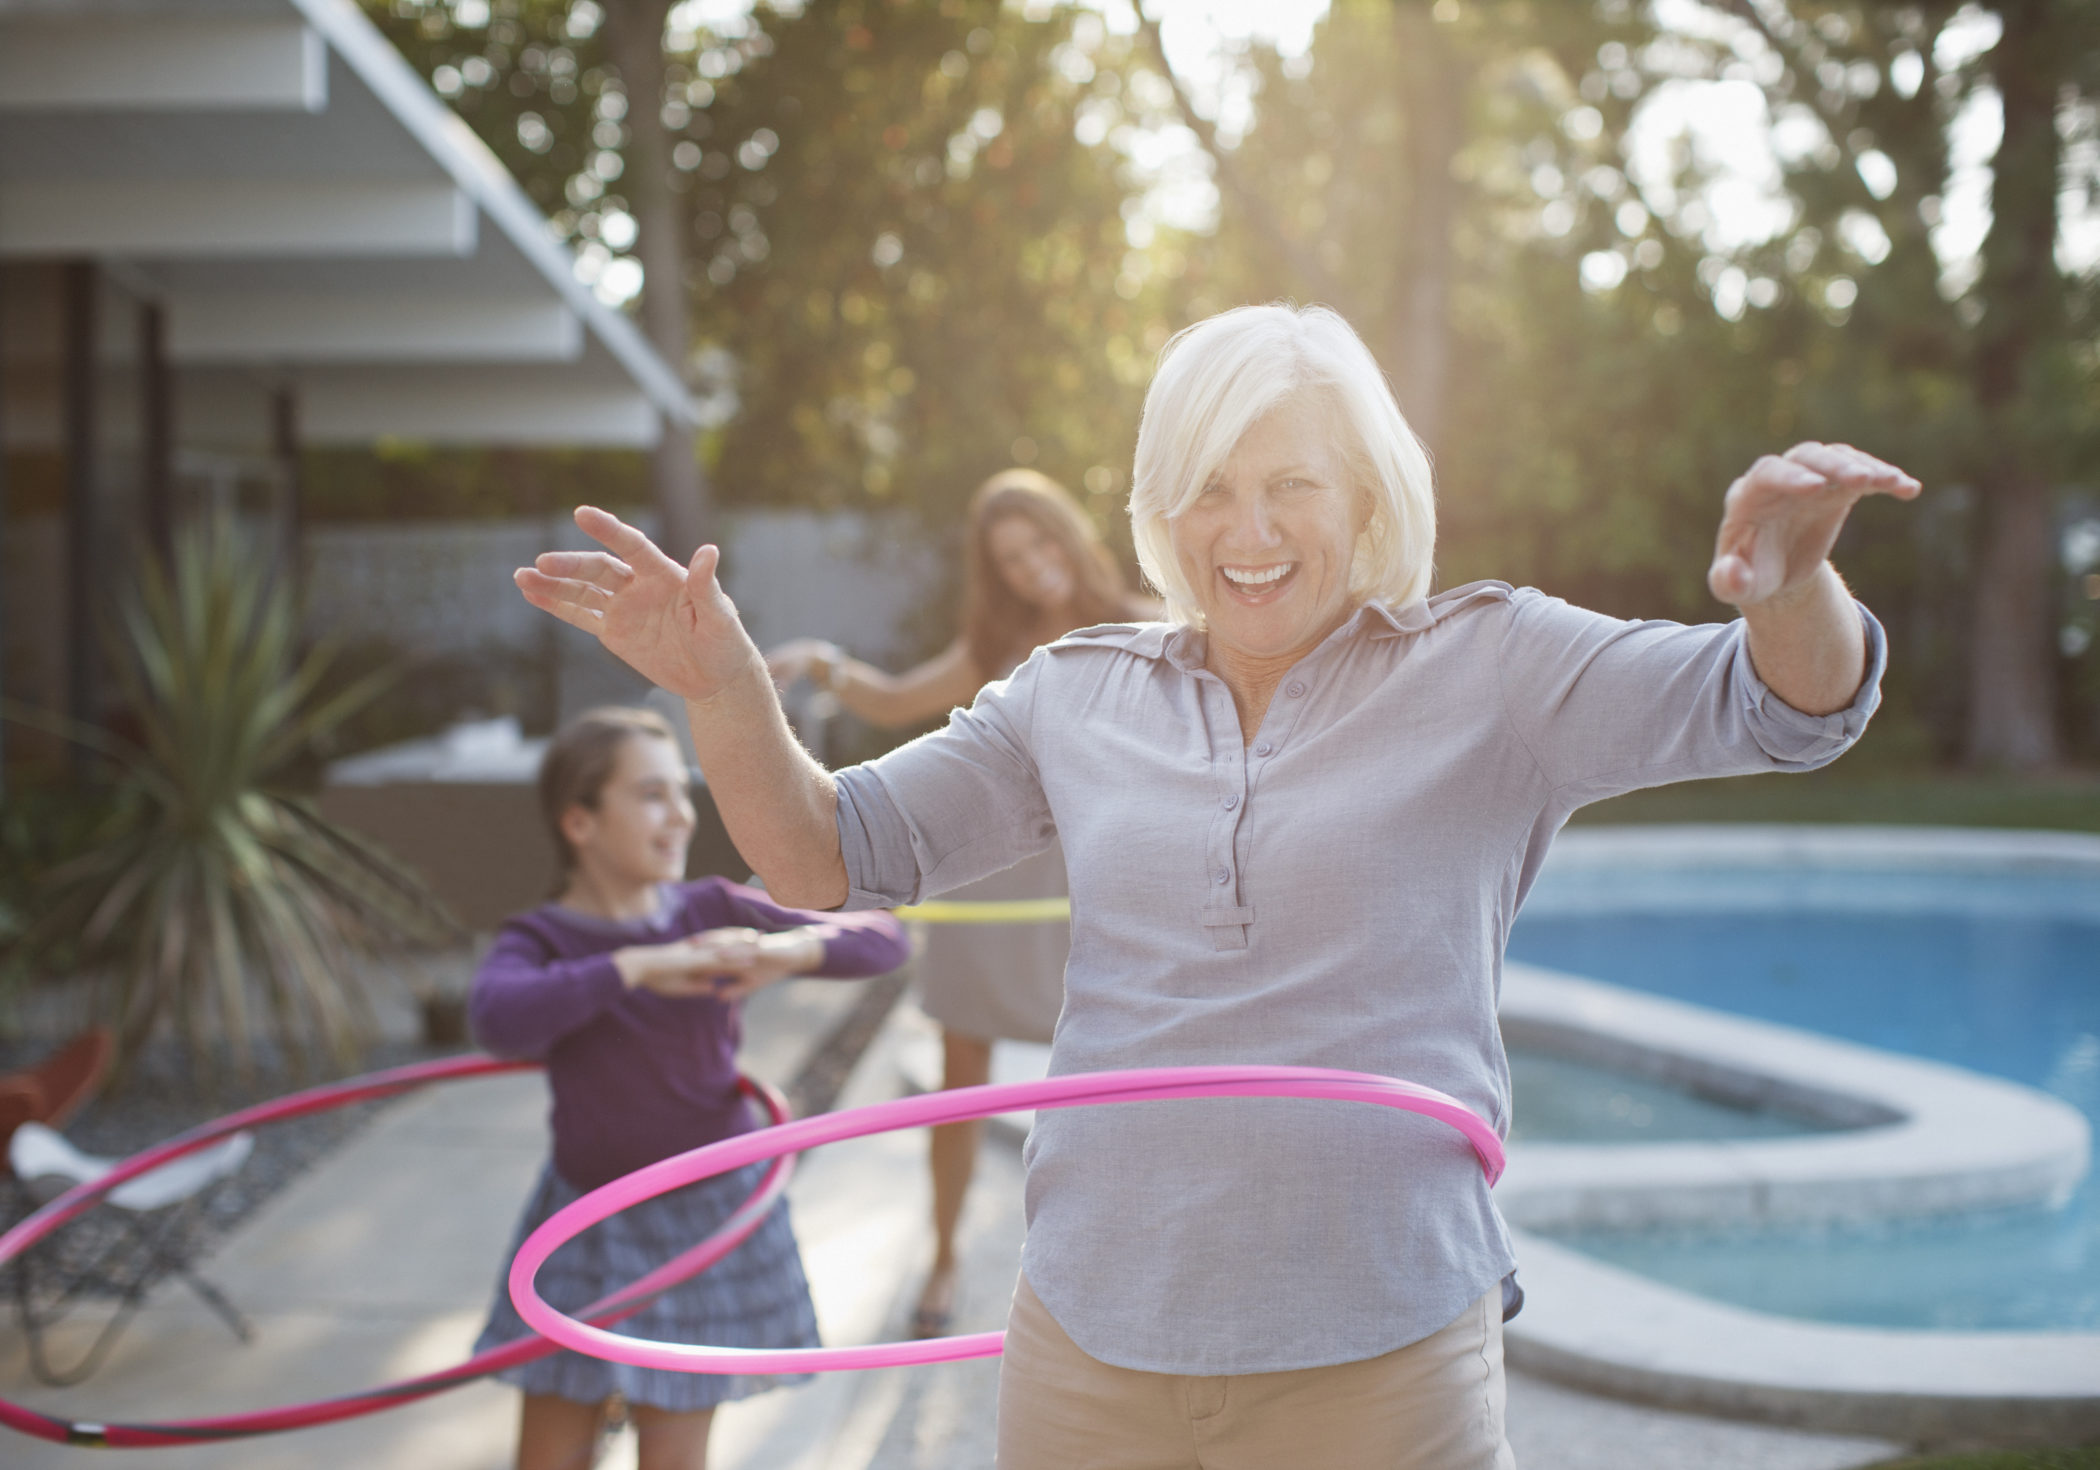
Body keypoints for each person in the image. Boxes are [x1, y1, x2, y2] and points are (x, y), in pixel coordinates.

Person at [513, 303, 1917, 1469]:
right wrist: (727, 689)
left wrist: (1792, 594)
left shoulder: (1498, 666)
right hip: (1091, 1345)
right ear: (1162, 507)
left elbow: (1780, 708)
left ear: (1367, 491)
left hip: (1381, 1350)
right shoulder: (1072, 695)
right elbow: (824, 853)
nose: (1249, 526)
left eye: (1292, 480)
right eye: (1212, 485)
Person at [763, 468, 1156, 1337]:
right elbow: (896, 697)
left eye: (1040, 544)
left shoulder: (1146, 624)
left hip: (1089, 887)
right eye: (1010, 559)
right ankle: (942, 1257)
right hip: (992, 883)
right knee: (960, 1076)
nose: (1031, 568)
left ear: (1068, 533)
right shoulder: (996, 648)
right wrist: (819, 667)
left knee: (1110, 1081)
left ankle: (1114, 1265)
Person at [468, 706, 909, 1470]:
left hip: (704, 1214)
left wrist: (789, 955)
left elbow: (880, 936)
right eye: (650, 795)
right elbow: (498, 1018)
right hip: (584, 1213)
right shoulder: (544, 941)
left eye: (681, 792)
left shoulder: (710, 908)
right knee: (546, 1453)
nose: (680, 815)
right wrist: (634, 969)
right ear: (580, 822)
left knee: (673, 1454)